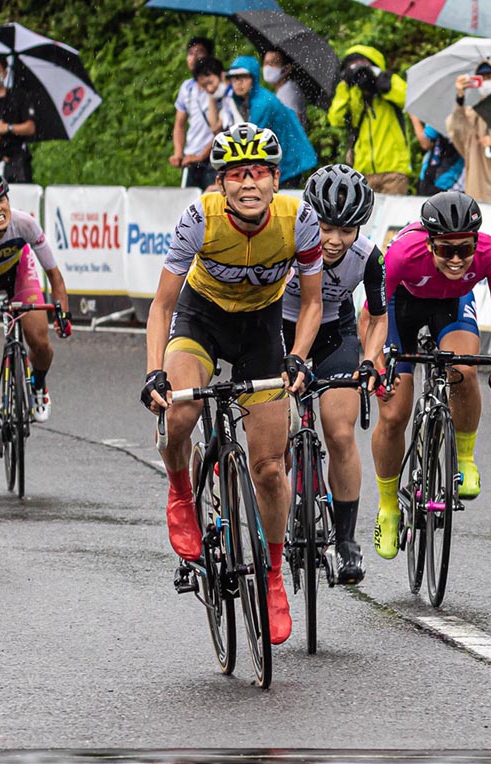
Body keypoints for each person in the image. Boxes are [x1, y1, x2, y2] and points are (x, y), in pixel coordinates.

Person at [141, 123, 323, 645]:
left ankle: (270, 575)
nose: (249, 184)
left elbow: (311, 303)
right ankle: (179, 490)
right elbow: (162, 306)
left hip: (261, 331)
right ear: (221, 182)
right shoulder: (199, 217)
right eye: (238, 174)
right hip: (201, 321)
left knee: (270, 467)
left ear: (275, 178)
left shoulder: (299, 219)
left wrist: (297, 358)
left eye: (259, 173)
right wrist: (154, 370)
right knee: (181, 410)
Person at [370, 192, 491, 559]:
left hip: (451, 306)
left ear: (476, 243)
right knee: (393, 412)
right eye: (445, 251)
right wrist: (378, 361)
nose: (455, 260)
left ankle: (464, 458)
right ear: (430, 242)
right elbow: (373, 315)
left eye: (464, 250)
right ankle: (388, 508)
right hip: (399, 308)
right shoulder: (403, 254)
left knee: (464, 368)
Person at [282, 165, 386, 585]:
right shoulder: (287, 242)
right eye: (325, 227)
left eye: (346, 229)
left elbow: (377, 318)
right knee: (274, 437)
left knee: (340, 432)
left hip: (333, 334)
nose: (334, 239)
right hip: (279, 330)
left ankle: (345, 541)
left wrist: (370, 360)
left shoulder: (368, 257)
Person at [0, 172, 71, 453]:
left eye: (1, 199)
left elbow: (54, 274)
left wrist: (63, 313)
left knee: (39, 340)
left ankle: (38, 386)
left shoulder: (24, 223)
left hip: (18, 274)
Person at [328, 45, 412, 195]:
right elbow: (336, 119)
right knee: (365, 218)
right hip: (363, 172)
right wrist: (345, 86)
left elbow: (408, 97)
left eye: (362, 64)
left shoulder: (388, 84)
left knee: (393, 218)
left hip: (394, 171)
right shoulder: (352, 92)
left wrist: (380, 79)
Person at [225, 57, 317, 188]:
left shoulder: (262, 103)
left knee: (282, 204)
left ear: (254, 78)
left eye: (243, 77)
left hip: (289, 160)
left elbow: (251, 144)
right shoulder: (244, 101)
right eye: (234, 78)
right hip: (276, 159)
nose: (238, 83)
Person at [446, 61, 491, 203]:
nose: (487, 81)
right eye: (482, 77)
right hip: (478, 183)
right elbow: (457, 129)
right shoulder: (472, 114)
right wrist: (460, 97)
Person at [170, 37, 220, 190]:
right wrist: (178, 153)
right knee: (190, 207)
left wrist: (201, 156)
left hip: (213, 158)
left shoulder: (220, 87)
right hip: (191, 159)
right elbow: (180, 123)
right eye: (190, 53)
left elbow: (222, 130)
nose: (194, 58)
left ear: (209, 56)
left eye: (199, 53)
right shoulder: (187, 87)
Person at [412, 116, 464, 196]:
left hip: (437, 181)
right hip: (454, 182)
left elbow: (425, 143)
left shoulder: (442, 114)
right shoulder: (471, 116)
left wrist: (414, 118)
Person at [262, 49, 306, 128]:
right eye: (266, 63)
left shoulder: (289, 93)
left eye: (274, 63)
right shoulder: (283, 89)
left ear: (287, 68)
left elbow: (295, 127)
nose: (268, 67)